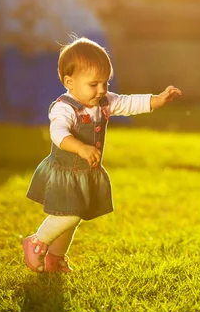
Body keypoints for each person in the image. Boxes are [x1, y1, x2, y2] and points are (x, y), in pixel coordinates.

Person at [22, 37, 181, 273]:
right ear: (70, 82)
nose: (102, 90)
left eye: (106, 83)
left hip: (85, 174)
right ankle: (37, 241)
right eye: (94, 84)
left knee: (72, 219)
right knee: (70, 214)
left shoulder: (104, 102)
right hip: (65, 173)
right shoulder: (64, 107)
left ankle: (55, 258)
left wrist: (156, 100)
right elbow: (57, 132)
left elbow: (128, 103)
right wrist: (81, 147)